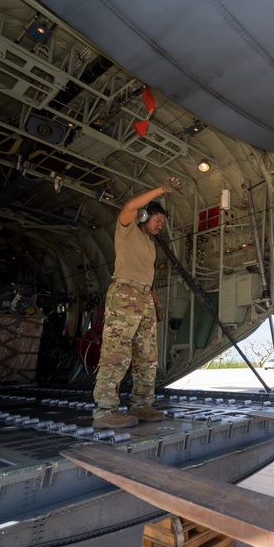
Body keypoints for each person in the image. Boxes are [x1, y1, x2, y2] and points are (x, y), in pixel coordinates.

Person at [92, 178, 181, 429]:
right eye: (157, 221)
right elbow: (130, 205)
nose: (160, 226)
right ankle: (105, 411)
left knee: (147, 356)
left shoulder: (151, 246)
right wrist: (163, 188)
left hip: (144, 298)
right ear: (143, 217)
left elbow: (149, 280)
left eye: (162, 223)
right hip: (124, 293)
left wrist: (156, 303)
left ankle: (142, 404)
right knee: (116, 354)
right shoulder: (127, 229)